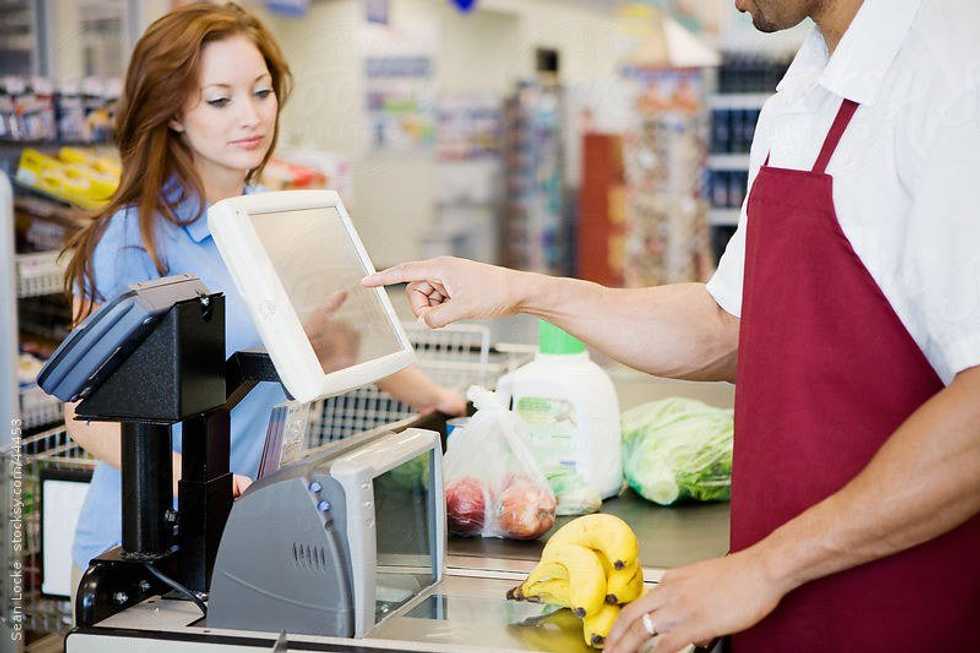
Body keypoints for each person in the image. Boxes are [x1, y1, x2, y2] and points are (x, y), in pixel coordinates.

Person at [364, 0, 980, 651]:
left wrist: (768, 566)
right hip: (780, 609)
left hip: (901, 614)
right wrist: (521, 291)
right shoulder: (806, 91)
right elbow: (728, 324)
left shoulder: (951, 82)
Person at [62, 2, 464, 609]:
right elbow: (83, 415)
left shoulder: (276, 219)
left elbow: (357, 328)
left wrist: (442, 402)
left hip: (251, 527)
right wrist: (198, 488)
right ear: (172, 112)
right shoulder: (133, 239)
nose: (250, 117)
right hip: (146, 553)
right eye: (219, 100)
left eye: (261, 92)